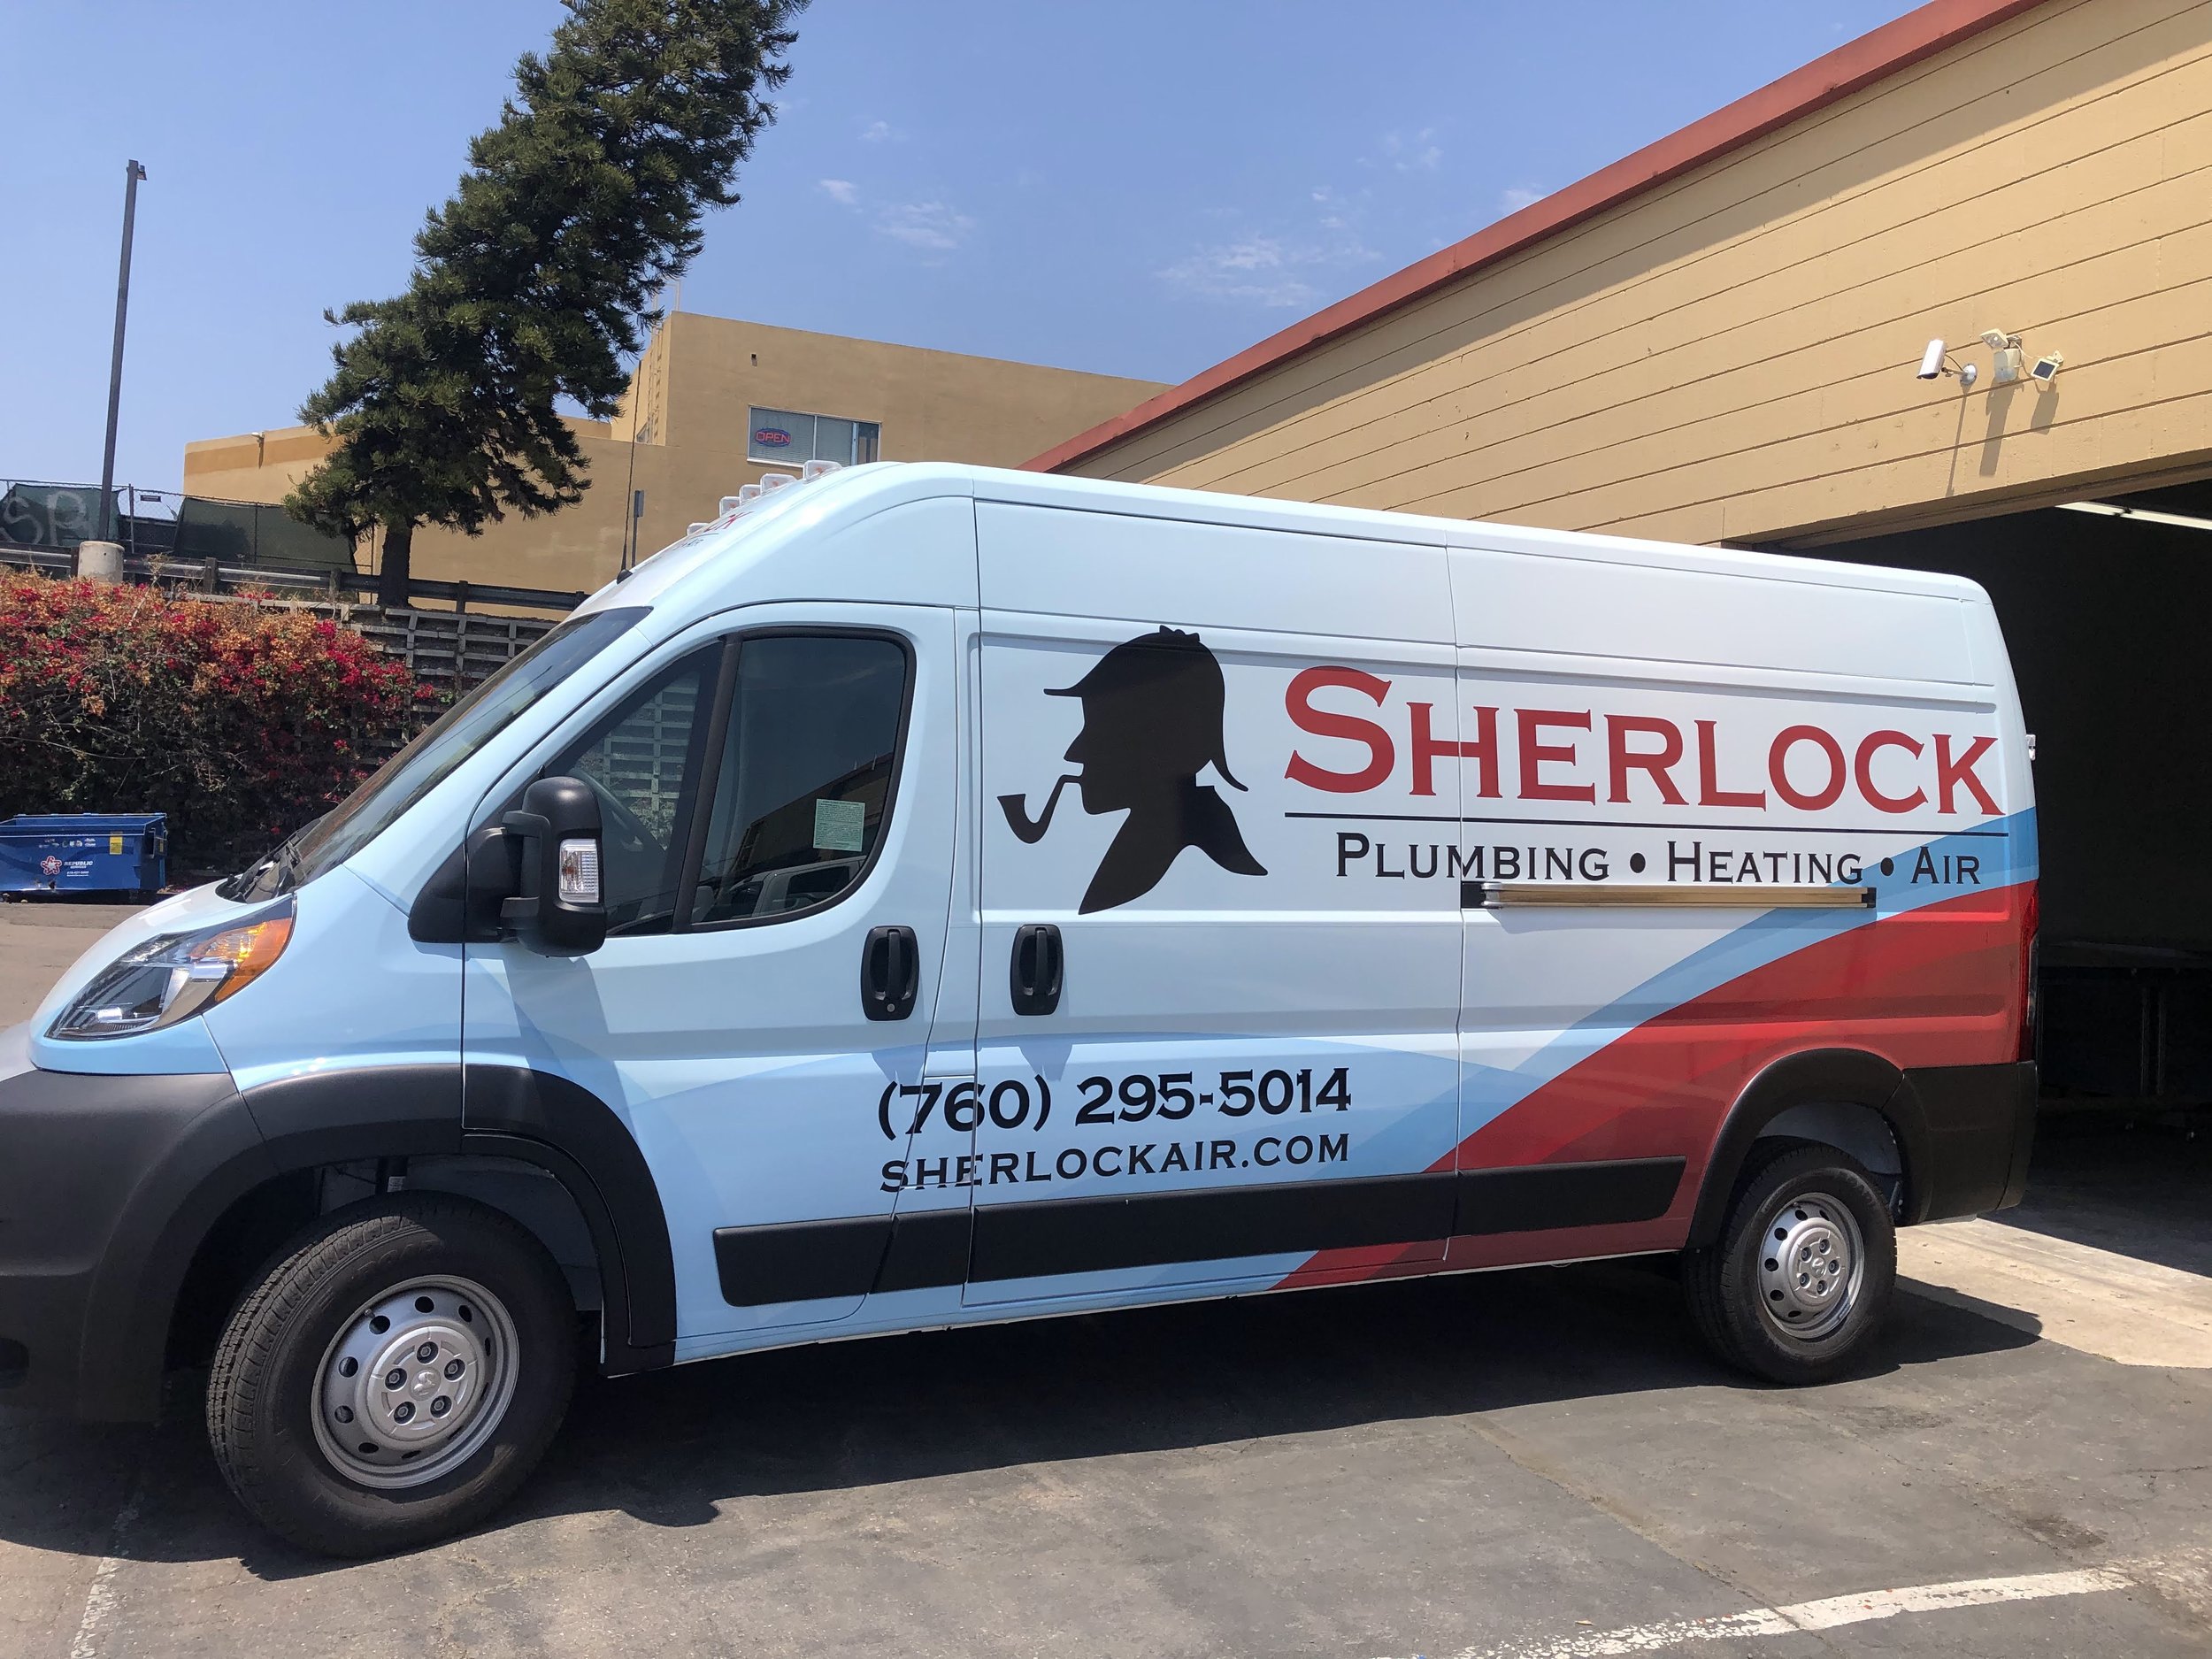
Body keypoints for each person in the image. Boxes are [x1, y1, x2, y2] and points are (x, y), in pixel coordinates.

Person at [999, 626, 1266, 913]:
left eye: (1103, 730)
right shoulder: (1154, 834)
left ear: (1174, 744)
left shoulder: (1196, 848)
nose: (1075, 751)